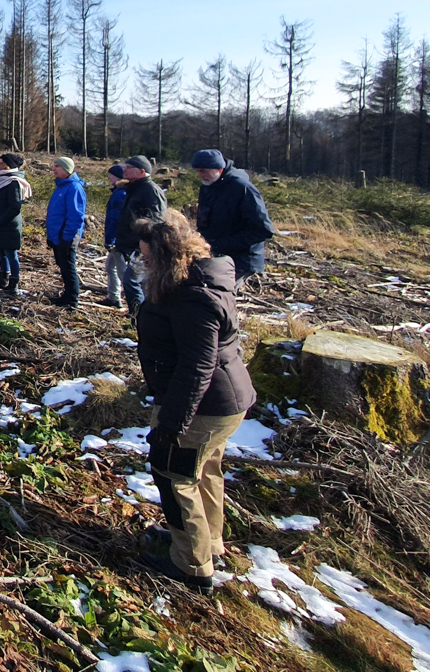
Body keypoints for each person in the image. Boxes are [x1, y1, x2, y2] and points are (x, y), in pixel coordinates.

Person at [134, 212, 256, 594]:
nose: (143, 264)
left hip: (204, 407)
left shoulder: (192, 298)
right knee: (205, 471)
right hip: (221, 402)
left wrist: (172, 424)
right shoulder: (201, 282)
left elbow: (198, 366)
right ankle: (207, 542)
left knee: (175, 476)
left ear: (168, 259)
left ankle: (192, 565)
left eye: (148, 259)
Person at [191, 149, 276, 291]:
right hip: (217, 255)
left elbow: (264, 230)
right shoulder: (208, 186)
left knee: (221, 296)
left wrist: (222, 244)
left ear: (219, 169)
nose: (201, 175)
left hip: (242, 260)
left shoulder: (242, 188)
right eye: (198, 171)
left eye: (204, 171)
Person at [114, 156, 167, 314]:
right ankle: (142, 317)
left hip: (145, 247)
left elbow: (156, 221)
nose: (124, 169)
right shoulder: (135, 188)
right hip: (134, 245)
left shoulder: (151, 191)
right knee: (136, 283)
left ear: (142, 171)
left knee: (132, 281)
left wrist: (145, 245)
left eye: (129, 167)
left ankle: (138, 317)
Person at [0, 153, 31, 296]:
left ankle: (13, 283)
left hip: (9, 225)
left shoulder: (13, 182)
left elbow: (15, 207)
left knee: (11, 253)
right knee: (1, 251)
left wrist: (1, 220)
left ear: (9, 166)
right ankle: (3, 278)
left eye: (1, 164)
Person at [45, 156, 87, 307]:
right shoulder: (61, 187)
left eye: (58, 166)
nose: (53, 169)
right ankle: (66, 296)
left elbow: (76, 216)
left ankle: (71, 300)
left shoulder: (74, 188)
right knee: (63, 266)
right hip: (57, 236)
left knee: (69, 268)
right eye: (54, 165)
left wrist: (67, 237)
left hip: (66, 237)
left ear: (67, 169)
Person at [102, 164, 128, 308]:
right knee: (110, 266)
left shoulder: (120, 194)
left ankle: (132, 301)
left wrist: (111, 239)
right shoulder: (119, 192)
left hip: (117, 240)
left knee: (122, 270)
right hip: (116, 238)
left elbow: (115, 219)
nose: (109, 178)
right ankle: (113, 296)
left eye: (111, 175)